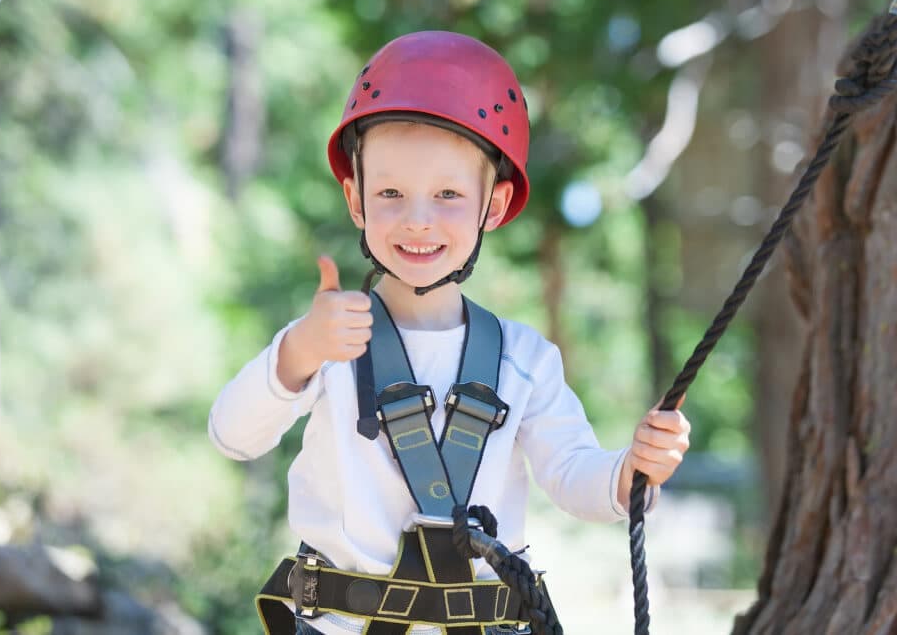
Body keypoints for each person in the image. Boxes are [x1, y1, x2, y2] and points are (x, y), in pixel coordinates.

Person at [208, 31, 691, 635]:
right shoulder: (326, 345)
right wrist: (298, 351)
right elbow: (232, 434)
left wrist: (633, 471)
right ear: (354, 199)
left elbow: (573, 477)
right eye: (390, 193)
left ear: (494, 203)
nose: (417, 219)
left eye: (448, 195)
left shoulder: (524, 361)